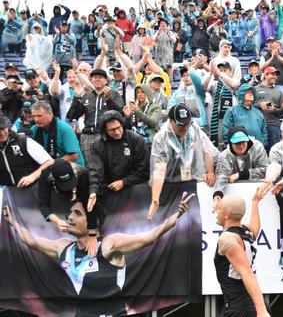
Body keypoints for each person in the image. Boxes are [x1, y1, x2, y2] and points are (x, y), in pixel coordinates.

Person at [3, 192, 195, 314]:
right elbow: (31, 240)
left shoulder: (109, 245)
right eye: (70, 213)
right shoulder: (63, 247)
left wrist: (176, 215)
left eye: (77, 214)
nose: (69, 217)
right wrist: (12, 222)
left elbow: (149, 237)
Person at [147, 103, 217, 220]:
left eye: (187, 124)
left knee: (194, 221)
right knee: (173, 223)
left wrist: (210, 171)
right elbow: (159, 170)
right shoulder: (162, 138)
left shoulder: (194, 129)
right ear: (171, 121)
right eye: (180, 125)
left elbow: (207, 150)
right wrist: (155, 199)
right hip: (170, 185)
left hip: (192, 182)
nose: (185, 128)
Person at [213, 191, 270, 317]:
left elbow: (247, 273)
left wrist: (261, 311)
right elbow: (255, 227)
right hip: (250, 305)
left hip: (241, 309)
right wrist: (255, 201)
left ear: (227, 214)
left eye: (219, 208)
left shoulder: (227, 239)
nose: (216, 211)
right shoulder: (246, 231)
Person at [87, 110, 150, 200]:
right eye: (112, 130)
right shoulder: (97, 144)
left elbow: (144, 171)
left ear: (122, 125)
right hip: (109, 188)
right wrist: (93, 191)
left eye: (118, 127)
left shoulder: (136, 140)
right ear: (105, 130)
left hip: (134, 187)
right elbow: (96, 170)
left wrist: (124, 182)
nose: (117, 132)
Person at [67, 69, 124, 160]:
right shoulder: (86, 95)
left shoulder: (114, 94)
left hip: (107, 135)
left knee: (108, 164)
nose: (97, 79)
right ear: (91, 80)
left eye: (100, 77)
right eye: (95, 77)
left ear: (106, 80)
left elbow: (121, 114)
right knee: (90, 166)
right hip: (88, 135)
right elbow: (72, 116)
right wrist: (77, 98)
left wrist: (109, 99)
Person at [214, 127, 268, 198]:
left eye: (243, 142)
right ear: (230, 143)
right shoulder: (224, 156)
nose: (241, 146)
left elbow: (265, 169)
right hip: (234, 195)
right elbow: (221, 176)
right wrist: (218, 195)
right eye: (237, 143)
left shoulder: (258, 148)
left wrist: (240, 175)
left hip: (256, 191)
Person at [0, 115, 53, 187]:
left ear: (8, 128)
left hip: (33, 186)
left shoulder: (23, 141)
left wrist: (33, 176)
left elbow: (49, 161)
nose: (2, 133)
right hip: (8, 189)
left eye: (3, 129)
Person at [31, 101, 84, 166]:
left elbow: (73, 156)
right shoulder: (34, 129)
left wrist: (51, 164)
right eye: (34, 116)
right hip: (48, 165)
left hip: (72, 167)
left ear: (50, 114)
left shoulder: (64, 129)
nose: (36, 119)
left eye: (39, 116)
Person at [222, 83, 268, 148]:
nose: (251, 94)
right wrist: (231, 146)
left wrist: (263, 143)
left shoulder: (258, 113)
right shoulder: (232, 111)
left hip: (257, 149)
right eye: (248, 92)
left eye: (252, 93)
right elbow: (226, 130)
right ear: (241, 94)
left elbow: (264, 131)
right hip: (238, 148)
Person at [255, 67, 283, 150]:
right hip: (257, 124)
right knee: (258, 150)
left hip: (273, 124)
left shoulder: (279, 92)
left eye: (276, 75)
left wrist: (276, 108)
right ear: (266, 75)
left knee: (274, 150)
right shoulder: (255, 89)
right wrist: (260, 104)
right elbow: (248, 105)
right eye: (272, 74)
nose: (275, 77)